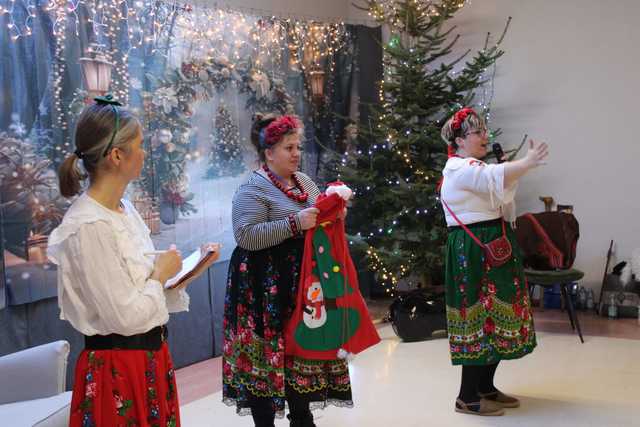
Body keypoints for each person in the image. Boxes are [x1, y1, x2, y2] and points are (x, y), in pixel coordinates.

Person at [47, 96, 219, 426]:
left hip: (147, 361)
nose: (144, 153)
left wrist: (184, 272)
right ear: (116, 156)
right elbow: (125, 317)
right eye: (139, 145)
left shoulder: (123, 210)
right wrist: (159, 276)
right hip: (118, 373)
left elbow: (140, 289)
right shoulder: (90, 226)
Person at [222, 114, 352, 427]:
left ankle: (302, 417)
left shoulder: (303, 181)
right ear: (269, 153)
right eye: (288, 148)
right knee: (265, 356)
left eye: (297, 146)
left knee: (299, 352)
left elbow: (318, 213)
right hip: (262, 286)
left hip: (300, 283)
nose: (296, 153)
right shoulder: (252, 189)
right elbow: (246, 235)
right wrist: (293, 223)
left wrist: (335, 211)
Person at [439, 107, 549, 416]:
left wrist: (516, 169)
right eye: (478, 132)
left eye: (485, 131)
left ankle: (485, 387)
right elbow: (490, 178)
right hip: (472, 252)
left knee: (499, 317)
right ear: (460, 140)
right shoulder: (459, 169)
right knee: (477, 319)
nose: (486, 136)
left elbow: (502, 196)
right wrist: (524, 163)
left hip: (494, 245)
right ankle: (466, 396)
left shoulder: (474, 166)